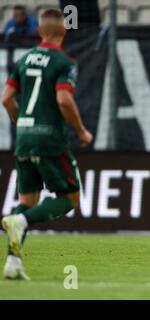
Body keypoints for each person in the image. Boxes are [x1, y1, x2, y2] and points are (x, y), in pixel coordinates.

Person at [1, 9, 93, 280]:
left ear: (40, 31)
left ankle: (12, 263)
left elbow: (7, 99)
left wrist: (23, 126)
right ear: (63, 31)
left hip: (23, 139)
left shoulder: (24, 59)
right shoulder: (63, 62)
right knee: (70, 198)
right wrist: (82, 131)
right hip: (50, 140)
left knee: (27, 200)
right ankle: (22, 221)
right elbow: (64, 100)